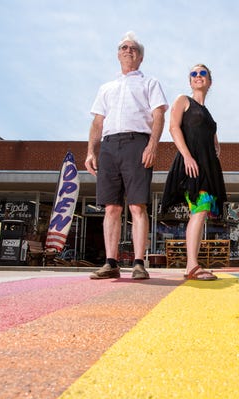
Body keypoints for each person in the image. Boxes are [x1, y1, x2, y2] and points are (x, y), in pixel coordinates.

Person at [85, 31, 168, 280]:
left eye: (133, 48)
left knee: (137, 205)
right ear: (118, 54)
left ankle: (139, 263)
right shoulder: (106, 87)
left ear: (140, 57)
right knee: (111, 207)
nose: (128, 50)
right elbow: (98, 122)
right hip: (109, 146)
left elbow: (159, 115)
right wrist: (91, 151)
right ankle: (111, 263)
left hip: (137, 143)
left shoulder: (149, 83)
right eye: (123, 47)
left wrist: (152, 145)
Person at [160, 64, 226, 280]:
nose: (198, 76)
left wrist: (216, 145)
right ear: (190, 81)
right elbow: (173, 127)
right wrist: (188, 156)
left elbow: (211, 139)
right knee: (199, 210)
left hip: (207, 167)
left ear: (210, 81)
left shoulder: (207, 113)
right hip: (191, 165)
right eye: (194, 74)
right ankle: (191, 266)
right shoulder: (183, 100)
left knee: (202, 211)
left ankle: (193, 263)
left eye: (203, 73)